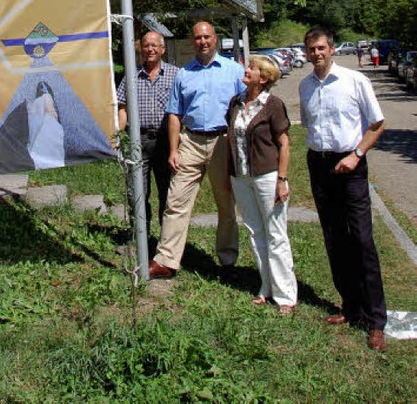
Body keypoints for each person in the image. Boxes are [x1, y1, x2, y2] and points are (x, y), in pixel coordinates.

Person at [300, 27, 387, 351]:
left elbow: (377, 124)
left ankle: (376, 320)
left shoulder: (354, 81)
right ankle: (350, 307)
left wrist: (356, 155)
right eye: (312, 49)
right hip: (320, 165)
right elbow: (309, 127)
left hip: (350, 165)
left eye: (322, 48)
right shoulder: (306, 86)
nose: (317, 54)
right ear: (306, 53)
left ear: (332, 49)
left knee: (362, 240)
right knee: (334, 238)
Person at [148, 21, 245, 279]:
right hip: (189, 142)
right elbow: (174, 114)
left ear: (215, 39)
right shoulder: (184, 73)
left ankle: (227, 261)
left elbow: (247, 106)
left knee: (225, 204)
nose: (202, 42)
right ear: (193, 42)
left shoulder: (234, 71)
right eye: (198, 38)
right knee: (175, 201)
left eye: (207, 37)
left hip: (222, 141)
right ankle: (166, 260)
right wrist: (173, 149)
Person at [226, 55, 297, 314]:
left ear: (263, 78)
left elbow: (284, 143)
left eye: (252, 68)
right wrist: (229, 174)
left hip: (268, 175)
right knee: (255, 232)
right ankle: (265, 287)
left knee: (276, 234)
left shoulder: (273, 105)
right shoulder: (236, 102)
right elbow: (231, 137)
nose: (247, 70)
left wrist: (282, 179)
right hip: (241, 176)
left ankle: (286, 295)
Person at [116, 31, 179, 241]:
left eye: (154, 45)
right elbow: (123, 109)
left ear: (163, 49)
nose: (150, 49)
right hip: (138, 141)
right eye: (146, 46)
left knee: (167, 193)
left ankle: (166, 242)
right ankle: (140, 239)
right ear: (140, 49)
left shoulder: (176, 75)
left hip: (166, 142)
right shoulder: (131, 77)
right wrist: (117, 137)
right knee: (137, 193)